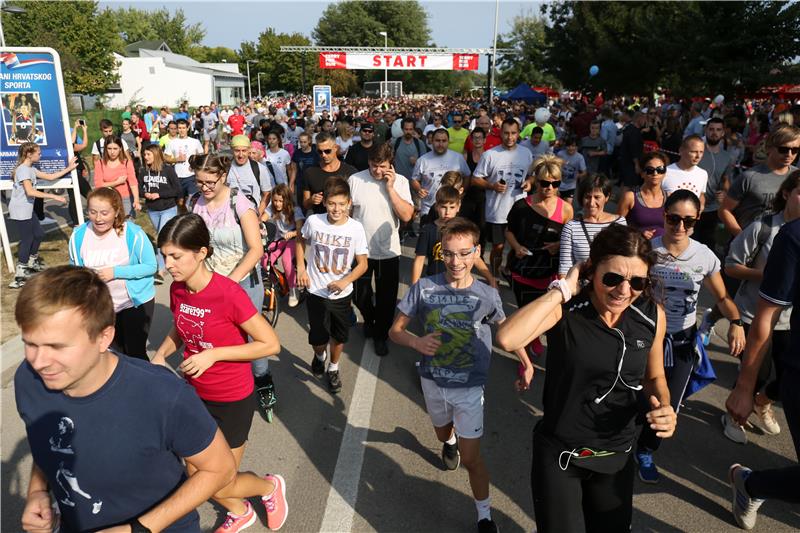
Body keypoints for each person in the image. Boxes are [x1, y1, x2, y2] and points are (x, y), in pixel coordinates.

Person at [14, 266, 237, 533]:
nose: (39, 362)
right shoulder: (28, 381)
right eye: (31, 344)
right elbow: (46, 441)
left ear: (103, 337)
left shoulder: (162, 394)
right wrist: (38, 491)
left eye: (57, 346)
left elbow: (220, 469)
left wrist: (138, 529)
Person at [495, 224, 676, 533]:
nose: (623, 290)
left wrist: (665, 406)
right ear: (592, 268)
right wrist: (563, 289)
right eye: (612, 278)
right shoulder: (566, 308)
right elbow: (507, 339)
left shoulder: (652, 314)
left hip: (617, 455)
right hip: (562, 454)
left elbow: (655, 375)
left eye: (636, 282)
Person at [390, 217, 533, 533]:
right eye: (450, 254)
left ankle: (484, 516)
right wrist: (416, 341)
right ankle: (449, 440)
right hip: (433, 381)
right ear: (442, 254)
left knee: (471, 458)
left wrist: (525, 361)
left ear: (476, 252)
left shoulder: (487, 294)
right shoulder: (424, 288)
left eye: (465, 253)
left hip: (469, 386)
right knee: (443, 434)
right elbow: (395, 331)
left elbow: (506, 329)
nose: (457, 261)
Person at [152, 214, 289, 532]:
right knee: (195, 475)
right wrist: (160, 355)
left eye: (176, 256)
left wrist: (213, 355)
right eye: (165, 256)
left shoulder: (228, 293)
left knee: (220, 482)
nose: (168, 264)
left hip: (232, 400)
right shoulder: (178, 291)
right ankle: (241, 513)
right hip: (195, 395)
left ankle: (268, 487)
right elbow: (181, 326)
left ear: (201, 252)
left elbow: (270, 344)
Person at [635, 190, 745, 484]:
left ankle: (645, 449)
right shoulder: (648, 249)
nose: (680, 227)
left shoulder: (704, 255)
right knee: (636, 393)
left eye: (688, 221)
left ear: (697, 220)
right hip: (647, 334)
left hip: (683, 341)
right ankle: (623, 439)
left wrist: (736, 321)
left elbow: (722, 297)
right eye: (674, 219)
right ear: (664, 216)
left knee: (668, 403)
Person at [725, 192, 800, 531]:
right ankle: (750, 485)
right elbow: (764, 315)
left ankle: (752, 485)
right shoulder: (793, 235)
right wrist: (745, 386)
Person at [187, 153, 274, 419]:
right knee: (216, 336)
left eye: (210, 182)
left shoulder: (240, 203)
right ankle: (220, 387)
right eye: (200, 182)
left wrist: (230, 281)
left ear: (223, 177)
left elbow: (256, 250)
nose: (205, 188)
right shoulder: (195, 203)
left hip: (243, 282)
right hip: (209, 283)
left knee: (252, 338)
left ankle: (263, 381)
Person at [720, 171, 800, 444]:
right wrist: (767, 276)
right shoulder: (763, 227)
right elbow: (730, 266)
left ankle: (762, 403)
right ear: (787, 193)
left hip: (788, 321)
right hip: (753, 315)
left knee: (788, 376)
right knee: (758, 371)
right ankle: (734, 412)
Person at [296, 178, 368, 393]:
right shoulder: (315, 221)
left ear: (349, 204)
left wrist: (345, 281)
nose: (336, 209)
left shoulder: (355, 228)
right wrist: (301, 267)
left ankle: (334, 368)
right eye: (332, 203)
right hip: (316, 291)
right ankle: (320, 356)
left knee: (339, 336)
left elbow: (363, 264)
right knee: (318, 337)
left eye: (341, 204)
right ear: (325, 202)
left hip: (342, 294)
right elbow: (300, 240)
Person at [69, 187, 156, 360]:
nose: (98, 218)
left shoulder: (132, 233)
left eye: (104, 213)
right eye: (92, 212)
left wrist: (115, 272)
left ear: (116, 212)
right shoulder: (78, 236)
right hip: (102, 307)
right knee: (114, 355)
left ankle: (145, 385)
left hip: (134, 303)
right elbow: (75, 271)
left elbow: (150, 266)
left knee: (135, 352)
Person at [350, 143, 414, 356]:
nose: (377, 170)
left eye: (382, 166)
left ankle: (380, 335)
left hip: (389, 251)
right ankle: (370, 319)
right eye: (373, 165)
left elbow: (406, 215)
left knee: (387, 299)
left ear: (390, 164)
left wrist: (390, 188)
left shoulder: (401, 182)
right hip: (361, 251)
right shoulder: (355, 180)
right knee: (360, 295)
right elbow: (347, 215)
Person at [505, 155, 573, 356]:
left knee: (543, 315)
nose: (549, 188)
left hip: (549, 273)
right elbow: (509, 231)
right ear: (535, 180)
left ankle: (534, 337)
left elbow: (571, 237)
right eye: (544, 183)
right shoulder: (521, 207)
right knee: (524, 314)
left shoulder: (566, 209)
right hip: (522, 270)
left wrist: (559, 244)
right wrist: (516, 247)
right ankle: (525, 351)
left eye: (555, 184)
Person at [471, 118, 534, 276]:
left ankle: (511, 271)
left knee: (518, 246)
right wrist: (492, 186)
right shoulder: (490, 155)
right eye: (506, 133)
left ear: (519, 133)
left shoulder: (526, 153)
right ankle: (494, 276)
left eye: (513, 133)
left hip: (520, 209)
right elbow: (475, 179)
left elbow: (532, 176)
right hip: (497, 211)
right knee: (498, 247)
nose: (510, 137)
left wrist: (529, 182)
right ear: (500, 133)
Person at [7, 143, 74, 289]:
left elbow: (50, 177)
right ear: (29, 154)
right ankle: (21, 273)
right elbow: (30, 192)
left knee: (38, 233)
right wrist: (55, 197)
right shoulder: (23, 170)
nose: (40, 154)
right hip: (20, 210)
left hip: (27, 209)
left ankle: (32, 262)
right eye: (38, 152)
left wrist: (69, 168)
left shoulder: (31, 169)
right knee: (28, 239)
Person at [411, 185, 495, 287]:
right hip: (435, 282)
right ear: (436, 206)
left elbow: (475, 257)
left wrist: (491, 279)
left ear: (458, 207)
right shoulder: (428, 230)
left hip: (461, 283)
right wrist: (414, 285)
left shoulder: (465, 228)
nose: (447, 212)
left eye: (452, 207)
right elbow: (419, 260)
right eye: (443, 207)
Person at [559, 174, 626, 276]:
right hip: (582, 288)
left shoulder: (619, 223)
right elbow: (564, 268)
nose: (591, 203)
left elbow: (625, 258)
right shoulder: (571, 227)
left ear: (607, 197)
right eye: (587, 197)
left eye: (597, 197)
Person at [139, 144, 181, 284]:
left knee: (161, 237)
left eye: (148, 155)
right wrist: (145, 194)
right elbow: (139, 189)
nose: (145, 157)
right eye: (144, 155)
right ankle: (176, 254)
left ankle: (161, 270)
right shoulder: (143, 171)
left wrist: (159, 194)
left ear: (156, 155)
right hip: (153, 210)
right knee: (166, 238)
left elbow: (177, 190)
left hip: (168, 208)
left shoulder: (168, 170)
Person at [411, 128, 472, 225]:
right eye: (437, 140)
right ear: (432, 141)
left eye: (444, 141)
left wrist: (462, 192)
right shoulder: (423, 160)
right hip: (429, 209)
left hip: (450, 211)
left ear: (448, 142)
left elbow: (467, 175)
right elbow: (414, 180)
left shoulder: (458, 158)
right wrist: (419, 189)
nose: (440, 144)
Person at [695, 118, 733, 250]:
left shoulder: (727, 157)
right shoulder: (697, 152)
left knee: (707, 246)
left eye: (718, 130)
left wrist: (725, 193)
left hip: (712, 209)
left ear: (723, 133)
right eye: (711, 129)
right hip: (693, 207)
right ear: (706, 131)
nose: (714, 133)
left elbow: (726, 181)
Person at [264, 184, 305, 308]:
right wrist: (260, 225)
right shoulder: (273, 207)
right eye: (275, 200)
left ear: (287, 200)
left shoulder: (295, 210)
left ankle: (293, 289)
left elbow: (301, 229)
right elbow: (263, 219)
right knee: (264, 258)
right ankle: (277, 283)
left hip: (293, 239)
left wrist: (292, 233)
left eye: (281, 201)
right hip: (279, 239)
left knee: (287, 261)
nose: (277, 204)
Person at [302, 132, 358, 215]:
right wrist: (312, 200)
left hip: (344, 223)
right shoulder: (310, 172)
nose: (323, 155)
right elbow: (306, 205)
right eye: (320, 152)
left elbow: (356, 203)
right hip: (321, 222)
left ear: (336, 148)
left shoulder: (350, 172)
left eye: (327, 151)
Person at [617, 152, 669, 239]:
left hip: (664, 249)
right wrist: (638, 233)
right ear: (642, 173)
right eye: (650, 170)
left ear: (665, 173)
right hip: (638, 249)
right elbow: (617, 227)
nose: (655, 173)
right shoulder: (630, 197)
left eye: (660, 169)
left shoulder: (670, 197)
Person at [164, 119, 205, 211]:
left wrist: (195, 163)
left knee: (192, 199)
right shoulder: (172, 142)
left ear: (188, 128)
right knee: (180, 202)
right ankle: (182, 217)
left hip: (191, 176)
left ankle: (192, 217)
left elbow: (202, 156)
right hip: (177, 176)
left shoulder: (195, 142)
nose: (181, 130)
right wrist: (176, 159)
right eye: (179, 128)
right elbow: (166, 158)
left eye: (183, 128)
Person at [227, 135, 274, 213]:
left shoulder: (259, 169)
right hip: (230, 217)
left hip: (252, 216)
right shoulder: (225, 168)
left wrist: (258, 214)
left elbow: (267, 194)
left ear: (248, 150)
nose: (241, 155)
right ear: (232, 150)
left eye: (244, 151)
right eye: (237, 151)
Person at [661, 134, 708, 212]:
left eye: (701, 152)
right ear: (681, 151)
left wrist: (701, 205)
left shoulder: (703, 174)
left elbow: (701, 194)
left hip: (690, 222)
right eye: (693, 152)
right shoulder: (666, 172)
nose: (698, 156)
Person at [555, 135, 588, 203]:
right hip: (559, 184)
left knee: (568, 204)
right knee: (557, 203)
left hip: (571, 185)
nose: (570, 148)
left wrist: (577, 176)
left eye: (573, 146)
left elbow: (584, 172)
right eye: (568, 146)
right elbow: (554, 168)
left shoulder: (580, 157)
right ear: (565, 146)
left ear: (577, 147)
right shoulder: (560, 154)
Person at [291, 132, 319, 205]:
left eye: (304, 142)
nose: (302, 144)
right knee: (301, 205)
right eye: (301, 142)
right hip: (300, 183)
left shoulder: (315, 154)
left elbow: (319, 168)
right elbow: (294, 170)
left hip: (313, 183)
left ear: (309, 141)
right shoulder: (296, 153)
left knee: (314, 204)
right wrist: (291, 184)